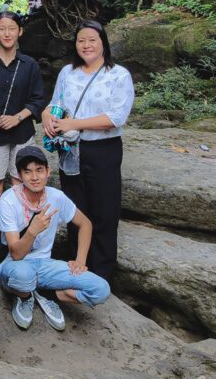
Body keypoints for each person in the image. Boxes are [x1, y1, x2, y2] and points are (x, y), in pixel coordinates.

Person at [43, 20, 134, 281]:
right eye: (81, 40)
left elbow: (117, 117)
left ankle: (102, 273)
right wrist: (47, 116)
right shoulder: (67, 73)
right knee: (75, 209)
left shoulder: (118, 75)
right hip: (70, 149)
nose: (86, 45)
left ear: (103, 43)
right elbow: (53, 104)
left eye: (92, 39)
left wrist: (75, 124)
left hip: (103, 149)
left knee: (104, 211)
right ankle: (76, 266)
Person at [0, 146, 110, 331]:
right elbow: (16, 254)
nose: (34, 177)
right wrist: (32, 231)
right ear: (20, 175)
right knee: (23, 275)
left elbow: (85, 224)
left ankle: (50, 295)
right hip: (14, 265)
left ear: (48, 172)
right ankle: (25, 297)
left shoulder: (57, 197)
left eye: (39, 170)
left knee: (101, 290)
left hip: (45, 266)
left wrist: (80, 260)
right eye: (28, 172)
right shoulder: (8, 200)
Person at [0, 12, 47, 235]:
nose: (7, 33)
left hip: (22, 132)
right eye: (2, 28)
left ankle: (20, 233)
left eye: (12, 28)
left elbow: (37, 100)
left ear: (20, 32)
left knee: (19, 184)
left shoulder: (29, 64)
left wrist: (17, 117)